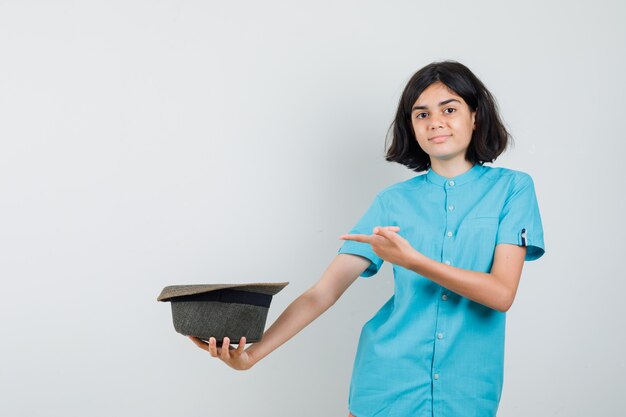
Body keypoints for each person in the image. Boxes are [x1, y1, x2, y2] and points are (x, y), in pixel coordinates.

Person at [189, 60, 545, 417]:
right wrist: (252, 355)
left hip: (468, 392)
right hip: (385, 387)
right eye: (421, 114)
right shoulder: (392, 202)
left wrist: (414, 261)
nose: (435, 121)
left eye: (449, 109)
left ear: (476, 116)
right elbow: (323, 292)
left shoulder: (512, 189)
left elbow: (501, 294)